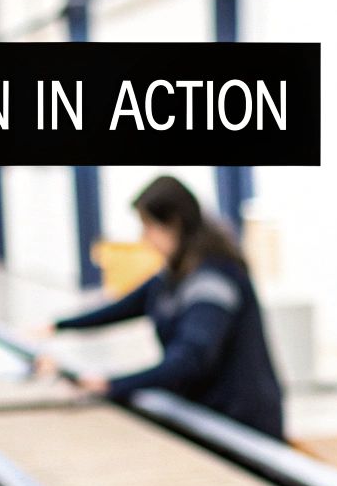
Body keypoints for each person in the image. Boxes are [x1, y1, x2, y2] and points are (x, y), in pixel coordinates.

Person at [37, 176, 285, 440]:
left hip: (240, 423)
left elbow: (189, 359)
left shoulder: (213, 280)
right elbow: (122, 307)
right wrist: (57, 326)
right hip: (206, 413)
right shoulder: (173, 275)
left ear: (173, 224)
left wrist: (111, 383)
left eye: (147, 227)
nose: (143, 239)